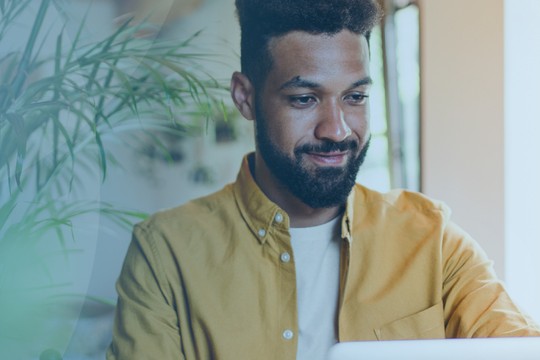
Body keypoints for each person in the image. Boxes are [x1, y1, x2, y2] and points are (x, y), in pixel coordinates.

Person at [107, 0, 540, 359]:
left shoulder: (433, 239)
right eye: (304, 98)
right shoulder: (164, 254)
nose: (336, 129)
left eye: (355, 97)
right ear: (246, 97)